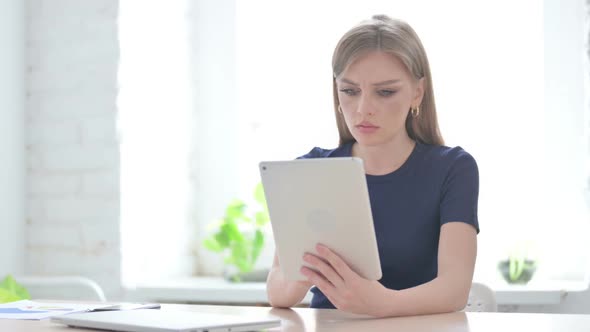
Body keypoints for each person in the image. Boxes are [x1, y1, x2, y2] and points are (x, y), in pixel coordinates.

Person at [266, 14, 479, 318]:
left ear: (417, 92)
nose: (363, 109)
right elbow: (277, 290)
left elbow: (454, 289)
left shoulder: (453, 169)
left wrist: (382, 305)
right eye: (350, 91)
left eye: (385, 92)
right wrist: (302, 272)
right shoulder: (310, 170)